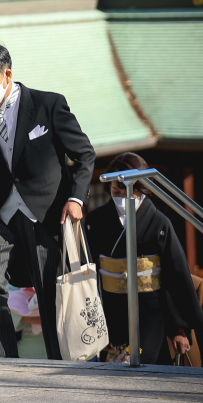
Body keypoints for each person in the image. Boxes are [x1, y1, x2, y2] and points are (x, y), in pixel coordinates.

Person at [0, 42, 95, 360]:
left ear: (7, 73)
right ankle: (4, 361)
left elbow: (84, 154)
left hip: (45, 212)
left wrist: (76, 199)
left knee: (50, 295)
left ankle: (60, 367)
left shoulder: (48, 105)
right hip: (1, 212)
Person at [85, 152, 203, 364]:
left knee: (147, 367)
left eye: (125, 189)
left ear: (141, 188)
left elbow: (176, 276)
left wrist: (179, 328)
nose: (120, 194)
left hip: (151, 309)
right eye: (115, 190)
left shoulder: (159, 223)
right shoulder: (96, 220)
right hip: (110, 308)